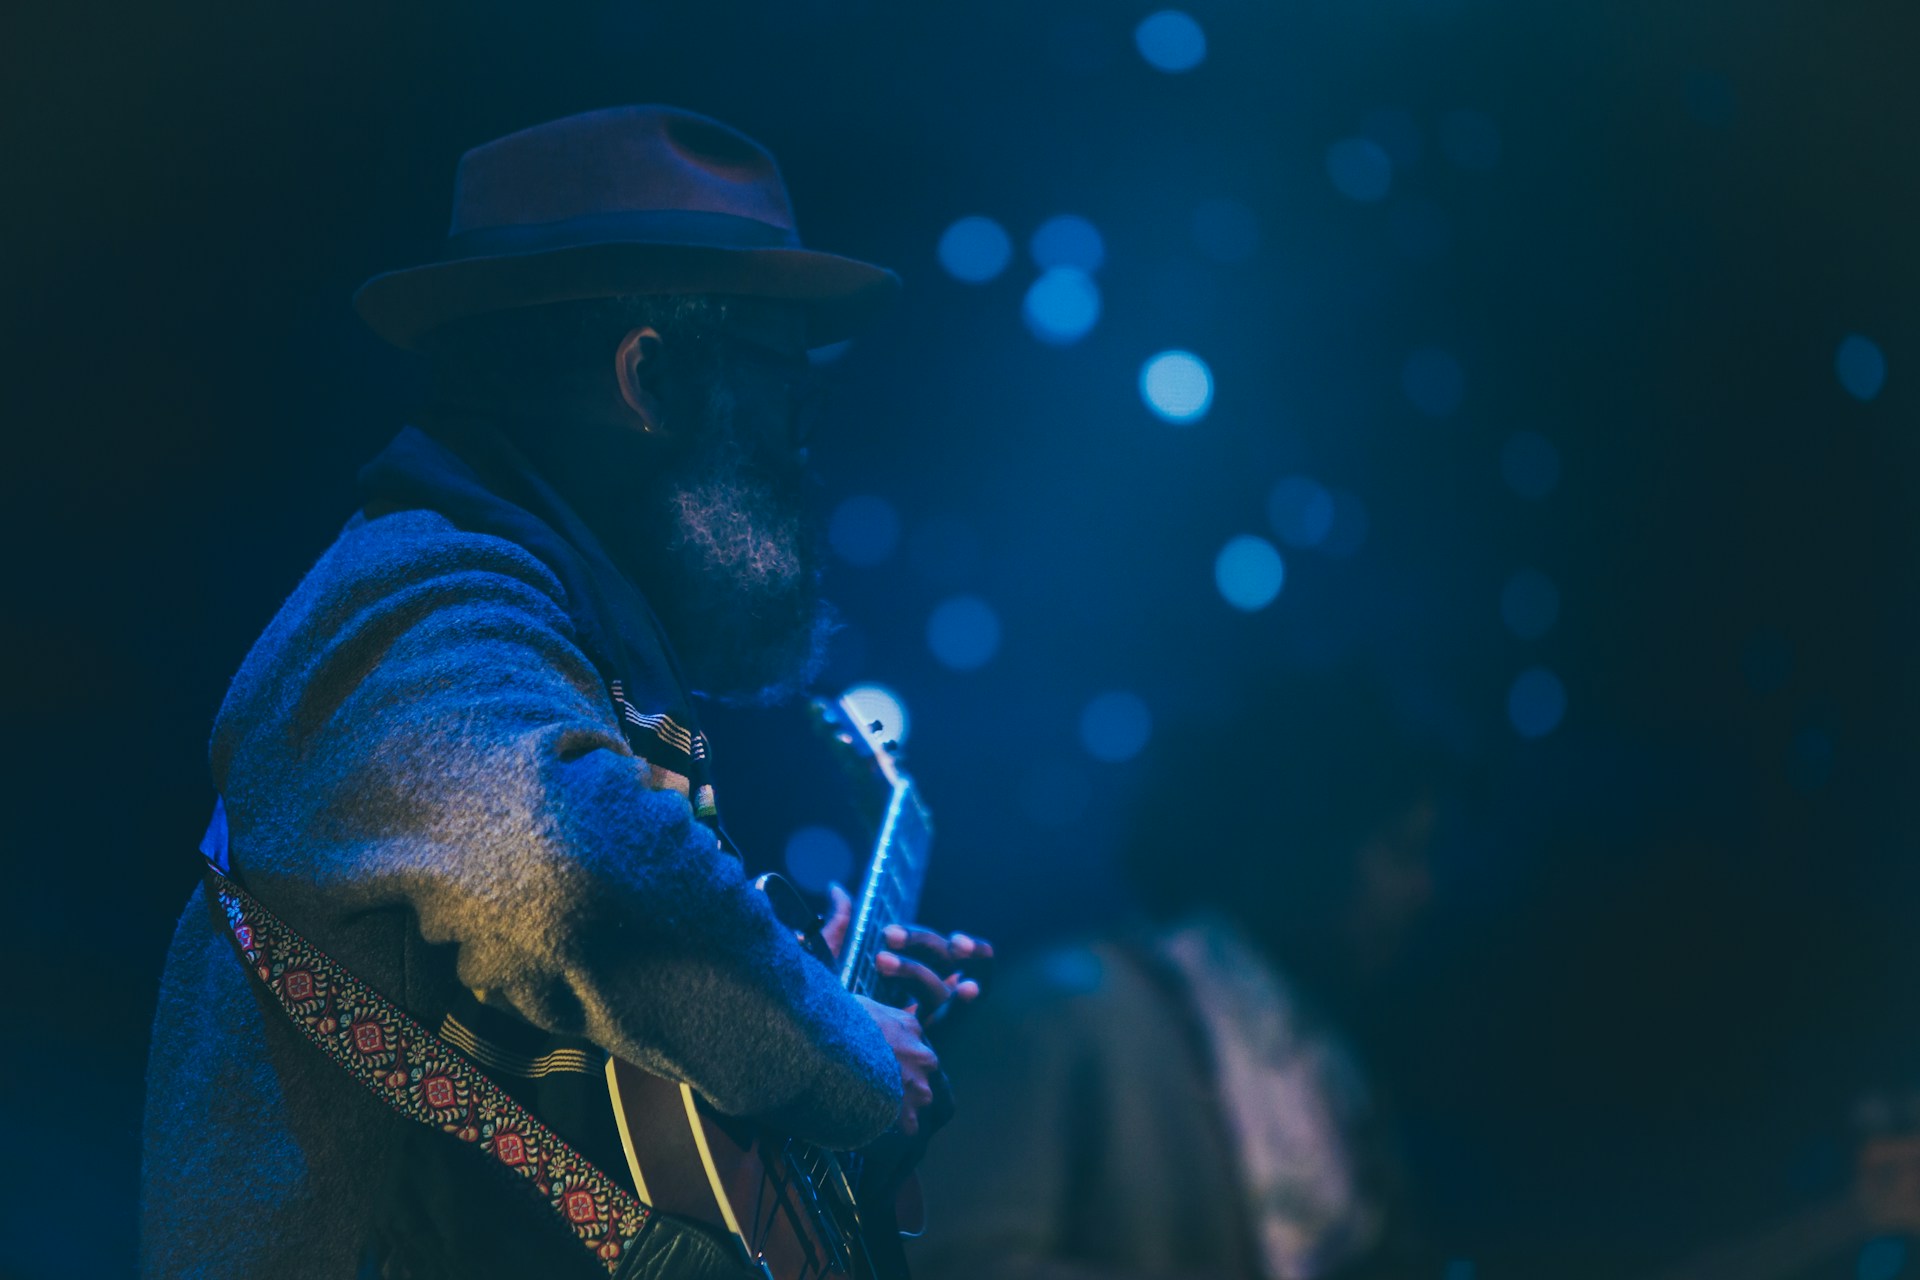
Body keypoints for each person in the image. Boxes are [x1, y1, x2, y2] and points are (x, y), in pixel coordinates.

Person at [139, 105, 989, 1279]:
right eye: (789, 397)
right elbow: (561, 862)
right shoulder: (418, 592)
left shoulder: (551, 640)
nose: (803, 451)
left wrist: (789, 980)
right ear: (648, 376)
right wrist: (842, 1045)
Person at [909, 668, 1443, 1280]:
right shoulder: (1063, 1012)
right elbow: (954, 1264)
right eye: (1401, 849)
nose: (1423, 890)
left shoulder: (1338, 1071)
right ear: (1306, 839)